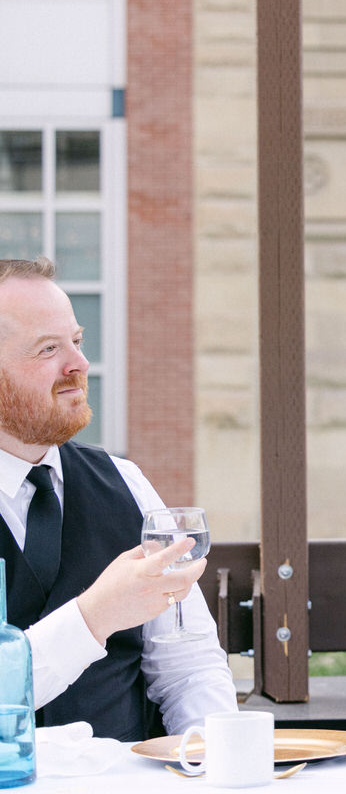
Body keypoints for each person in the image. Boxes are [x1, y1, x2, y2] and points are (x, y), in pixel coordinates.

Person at [0, 258, 237, 740]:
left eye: (77, 342)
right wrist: (98, 613)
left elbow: (189, 667)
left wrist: (211, 762)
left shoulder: (126, 483)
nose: (79, 365)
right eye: (49, 348)